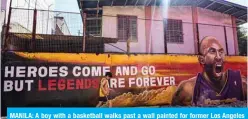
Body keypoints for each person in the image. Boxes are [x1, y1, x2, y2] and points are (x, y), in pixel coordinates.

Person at [171, 36, 247, 106]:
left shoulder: (241, 85)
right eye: (212, 51)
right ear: (202, 60)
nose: (219, 57)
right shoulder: (188, 90)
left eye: (221, 52)